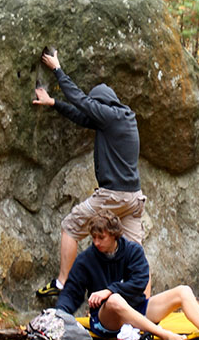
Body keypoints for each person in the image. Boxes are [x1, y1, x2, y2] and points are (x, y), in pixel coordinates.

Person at [32, 49, 146, 299]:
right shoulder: (122, 118)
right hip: (134, 199)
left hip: (113, 196)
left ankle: (63, 283)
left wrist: (57, 69)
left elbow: (81, 101)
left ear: (101, 105)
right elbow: (82, 116)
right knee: (135, 254)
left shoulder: (110, 116)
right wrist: (53, 104)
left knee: (71, 226)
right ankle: (144, 307)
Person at [54, 210, 199, 340]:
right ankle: (166, 336)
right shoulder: (86, 259)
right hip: (105, 319)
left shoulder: (132, 251)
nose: (96, 242)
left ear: (114, 235)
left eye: (101, 238)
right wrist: (57, 316)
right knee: (114, 300)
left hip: (137, 309)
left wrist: (109, 289)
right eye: (93, 238)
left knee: (183, 290)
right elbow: (71, 292)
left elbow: (139, 282)